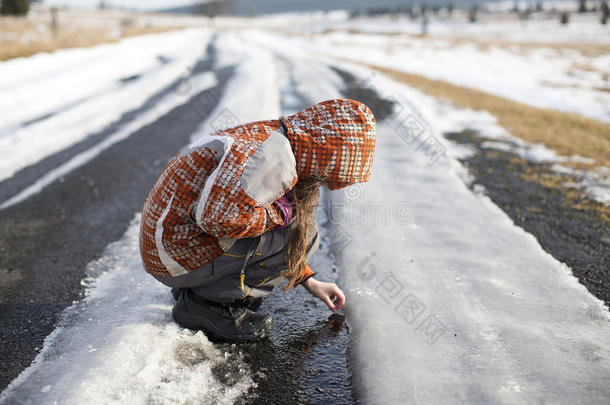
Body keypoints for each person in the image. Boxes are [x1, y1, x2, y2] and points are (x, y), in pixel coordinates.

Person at [139, 98, 376, 343]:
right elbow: (217, 219)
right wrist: (278, 215)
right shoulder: (270, 155)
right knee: (299, 233)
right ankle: (206, 305)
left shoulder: (277, 137)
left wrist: (309, 280)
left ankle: (203, 287)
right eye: (336, 172)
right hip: (173, 256)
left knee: (296, 223)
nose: (334, 184)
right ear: (326, 151)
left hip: (170, 246)